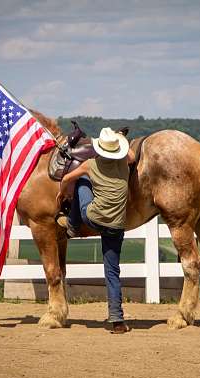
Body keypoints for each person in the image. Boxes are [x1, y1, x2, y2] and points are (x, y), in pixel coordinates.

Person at [57, 127, 135, 334]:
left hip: (91, 217)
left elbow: (66, 180)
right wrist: (119, 139)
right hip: (117, 225)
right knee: (112, 272)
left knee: (81, 181)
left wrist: (62, 195)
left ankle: (72, 225)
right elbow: (132, 154)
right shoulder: (125, 164)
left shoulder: (90, 165)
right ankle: (118, 321)